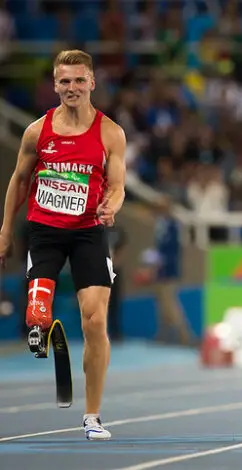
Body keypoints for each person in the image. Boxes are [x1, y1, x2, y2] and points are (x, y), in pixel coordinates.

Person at [0, 50, 126, 441]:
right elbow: (19, 181)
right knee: (38, 314)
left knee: (96, 320)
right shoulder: (37, 132)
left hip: (89, 231)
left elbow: (118, 184)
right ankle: (37, 324)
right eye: (64, 81)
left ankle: (92, 416)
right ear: (55, 85)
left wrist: (112, 206)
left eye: (78, 80)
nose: (72, 88)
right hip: (45, 230)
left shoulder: (110, 133)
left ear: (92, 82)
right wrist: (5, 231)